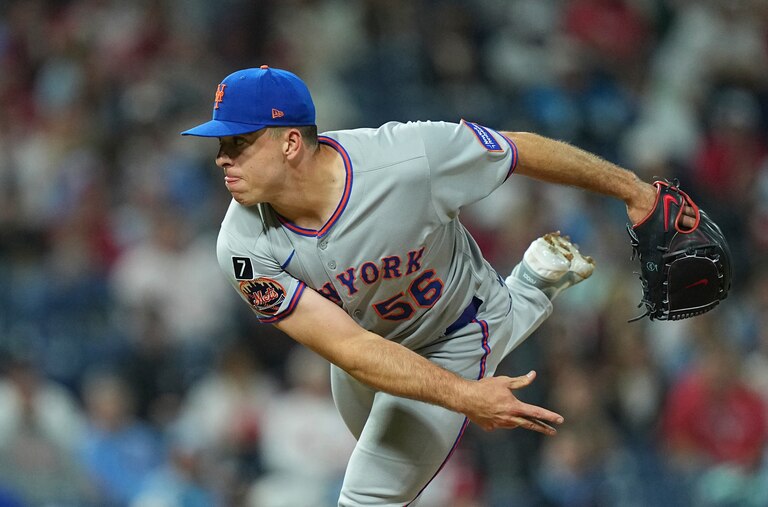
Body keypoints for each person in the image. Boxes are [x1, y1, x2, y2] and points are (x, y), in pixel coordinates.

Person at [181, 65, 693, 506]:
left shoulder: (406, 159)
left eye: (240, 142)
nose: (224, 158)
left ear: (291, 141)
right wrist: (467, 398)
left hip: (456, 329)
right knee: (398, 474)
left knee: (366, 496)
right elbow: (353, 350)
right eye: (222, 144)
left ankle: (522, 296)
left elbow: (518, 152)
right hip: (367, 353)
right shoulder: (242, 244)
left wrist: (636, 191)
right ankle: (532, 285)